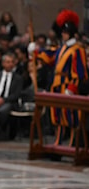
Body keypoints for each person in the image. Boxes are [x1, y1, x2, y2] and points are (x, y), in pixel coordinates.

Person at [31, 9, 87, 145]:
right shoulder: (62, 48)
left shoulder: (78, 50)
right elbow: (50, 56)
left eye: (66, 33)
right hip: (56, 85)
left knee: (71, 117)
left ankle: (73, 144)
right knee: (58, 117)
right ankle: (58, 142)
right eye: (63, 32)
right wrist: (36, 51)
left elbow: (79, 71)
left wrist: (72, 88)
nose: (63, 35)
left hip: (67, 85)